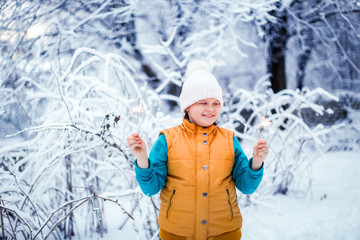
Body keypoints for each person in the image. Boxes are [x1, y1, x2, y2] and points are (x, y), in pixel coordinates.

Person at [127, 60, 269, 240]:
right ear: (188, 105)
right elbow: (150, 188)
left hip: (224, 233)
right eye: (203, 103)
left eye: (216, 103)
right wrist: (142, 159)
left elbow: (246, 187)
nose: (211, 109)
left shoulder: (229, 140)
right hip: (177, 233)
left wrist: (256, 163)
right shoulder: (167, 140)